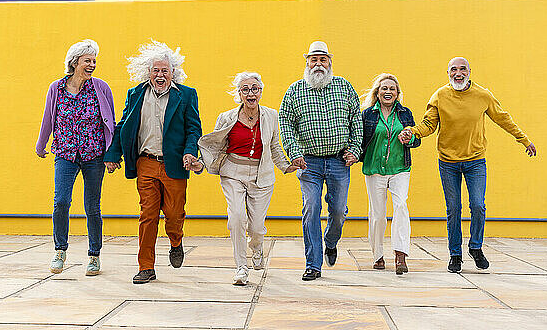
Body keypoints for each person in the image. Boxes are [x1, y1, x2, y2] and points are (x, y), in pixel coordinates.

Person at [399, 57, 536, 273]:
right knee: (453, 209)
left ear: (470, 72)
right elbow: (428, 125)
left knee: (478, 206)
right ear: (448, 73)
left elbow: (503, 118)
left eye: (463, 69)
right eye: (454, 70)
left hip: (475, 161)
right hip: (448, 162)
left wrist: (524, 140)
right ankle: (455, 255)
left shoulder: (483, 95)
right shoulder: (440, 96)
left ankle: (476, 247)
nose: (458, 73)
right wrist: (412, 131)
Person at [104, 40, 202, 284]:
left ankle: (176, 240)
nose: (160, 75)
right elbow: (123, 126)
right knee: (147, 215)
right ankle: (146, 266)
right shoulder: (136, 94)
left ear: (173, 73)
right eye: (156, 70)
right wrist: (113, 155)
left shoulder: (186, 94)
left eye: (165, 71)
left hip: (175, 164)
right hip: (146, 162)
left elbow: (193, 128)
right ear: (148, 73)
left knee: (174, 213)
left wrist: (190, 152)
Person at [190, 72, 298, 285]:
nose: (251, 93)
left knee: (256, 226)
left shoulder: (271, 116)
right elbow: (215, 147)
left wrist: (286, 166)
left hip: (262, 175)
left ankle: (256, 247)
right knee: (237, 218)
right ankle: (241, 267)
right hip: (233, 173)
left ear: (261, 91)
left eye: (254, 89)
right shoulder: (226, 117)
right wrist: (201, 164)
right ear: (239, 93)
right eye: (245, 89)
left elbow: (274, 147)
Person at [279, 41, 363, 281]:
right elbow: (285, 124)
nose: (318, 64)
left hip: (339, 162)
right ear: (306, 63)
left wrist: (355, 150)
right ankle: (313, 264)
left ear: (330, 62)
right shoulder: (294, 91)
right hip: (309, 163)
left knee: (338, 211)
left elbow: (355, 121)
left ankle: (331, 240)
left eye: (322, 59)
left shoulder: (344, 87)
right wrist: (293, 152)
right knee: (311, 208)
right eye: (313, 59)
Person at [35, 39, 116, 276]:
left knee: (92, 207)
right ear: (75, 62)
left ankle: (94, 255)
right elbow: (48, 119)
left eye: (94, 61)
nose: (92, 65)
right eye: (87, 61)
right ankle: (60, 250)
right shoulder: (56, 88)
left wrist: (111, 154)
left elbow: (110, 122)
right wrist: (41, 145)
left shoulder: (101, 87)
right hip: (65, 154)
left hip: (94, 155)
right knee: (61, 201)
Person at [360, 73, 420, 275]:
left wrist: (408, 138)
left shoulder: (405, 113)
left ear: (397, 93)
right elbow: (359, 141)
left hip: (399, 169)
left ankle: (400, 254)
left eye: (392, 89)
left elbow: (416, 139)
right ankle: (377, 255)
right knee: (377, 215)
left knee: (401, 205)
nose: (388, 92)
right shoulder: (368, 114)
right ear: (377, 93)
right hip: (374, 169)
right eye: (384, 88)